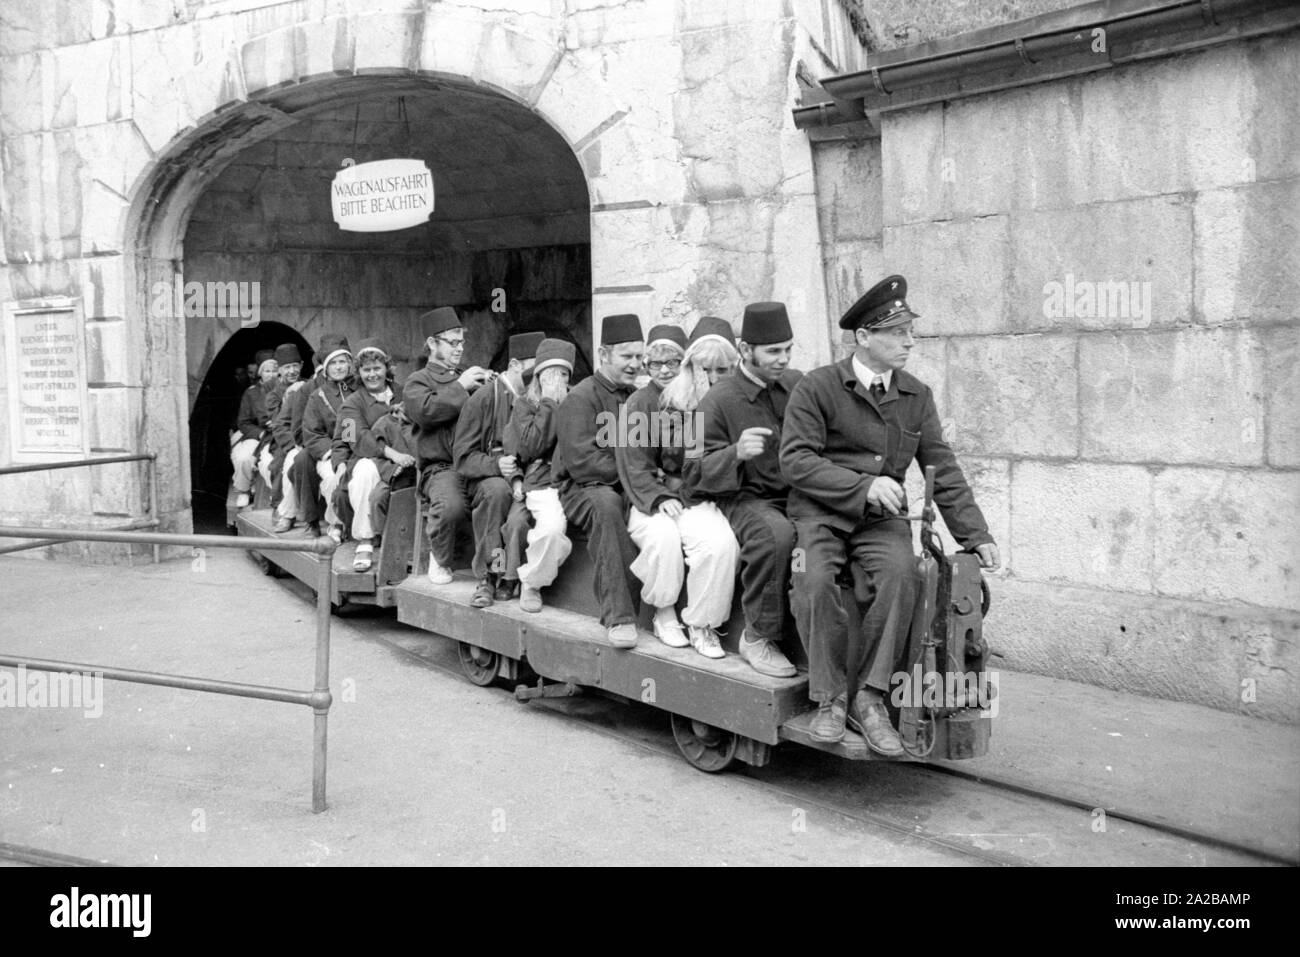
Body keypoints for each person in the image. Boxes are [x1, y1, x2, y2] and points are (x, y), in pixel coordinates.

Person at [781, 274, 1000, 752]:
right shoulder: (817, 387)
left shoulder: (915, 395)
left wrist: (976, 533)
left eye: (910, 331)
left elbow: (942, 466)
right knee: (812, 580)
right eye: (898, 332)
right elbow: (795, 461)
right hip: (818, 516)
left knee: (905, 575)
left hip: (882, 523)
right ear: (864, 338)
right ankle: (830, 697)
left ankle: (871, 697)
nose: (910, 341)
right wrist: (862, 486)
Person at [616, 323, 740, 658]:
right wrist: (660, 496)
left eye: (673, 362)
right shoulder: (642, 403)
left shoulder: (699, 401)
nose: (666, 370)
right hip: (650, 498)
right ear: (648, 367)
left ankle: (704, 623)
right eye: (657, 364)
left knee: (719, 543)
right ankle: (664, 611)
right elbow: (635, 464)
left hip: (693, 495)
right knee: (663, 538)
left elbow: (700, 460)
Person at [694, 302, 802, 679]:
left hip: (796, 495)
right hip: (742, 498)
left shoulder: (797, 386)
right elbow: (693, 470)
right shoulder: (717, 400)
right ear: (745, 350)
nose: (783, 359)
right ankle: (757, 636)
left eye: (788, 349)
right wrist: (734, 453)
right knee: (775, 536)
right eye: (773, 351)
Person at [554, 314, 644, 648]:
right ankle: (619, 616)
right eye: (627, 356)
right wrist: (635, 474)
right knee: (608, 507)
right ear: (604, 355)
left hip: (625, 483)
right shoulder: (580, 397)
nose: (635, 364)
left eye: (639, 356)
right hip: (582, 489)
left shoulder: (637, 397)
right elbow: (583, 463)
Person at [453, 332, 543, 607]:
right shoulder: (484, 398)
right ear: (515, 364)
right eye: (532, 368)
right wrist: (496, 465)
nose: (537, 376)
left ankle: (520, 575)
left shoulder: (536, 398)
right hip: (485, 480)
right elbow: (463, 458)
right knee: (497, 492)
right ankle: (489, 576)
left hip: (527, 479)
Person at [404, 306, 491, 584]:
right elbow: (425, 412)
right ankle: (440, 557)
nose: (459, 349)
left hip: (475, 462)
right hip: (441, 467)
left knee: (498, 496)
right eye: (452, 342)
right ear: (432, 343)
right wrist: (462, 387)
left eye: (462, 342)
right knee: (451, 506)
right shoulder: (417, 381)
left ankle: (492, 570)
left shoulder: (467, 376)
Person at [503, 338, 576, 613]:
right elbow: (531, 446)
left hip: (574, 480)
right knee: (552, 529)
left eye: (564, 374)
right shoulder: (525, 404)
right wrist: (549, 402)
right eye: (550, 374)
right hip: (543, 482)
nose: (558, 381)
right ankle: (532, 583)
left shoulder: (578, 400)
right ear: (538, 377)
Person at [334, 339, 405, 571]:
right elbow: (353, 438)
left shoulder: (405, 393)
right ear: (359, 371)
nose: (372, 374)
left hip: (407, 458)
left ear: (387, 368)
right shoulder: (349, 403)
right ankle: (365, 540)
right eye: (366, 369)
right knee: (364, 472)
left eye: (377, 368)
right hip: (367, 458)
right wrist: (389, 452)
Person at [231, 349, 277, 508]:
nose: (271, 374)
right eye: (267, 370)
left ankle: (277, 495)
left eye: (274, 370)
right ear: (260, 373)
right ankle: (243, 490)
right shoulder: (251, 393)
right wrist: (260, 433)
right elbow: (243, 422)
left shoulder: (287, 390)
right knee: (243, 458)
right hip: (258, 434)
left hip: (280, 435)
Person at [259, 343, 302, 498]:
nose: (291, 371)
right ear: (280, 370)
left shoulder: (307, 385)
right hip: (281, 438)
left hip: (305, 435)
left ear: (301, 365)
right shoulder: (273, 394)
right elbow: (277, 422)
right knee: (278, 465)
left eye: (295, 366)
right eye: (286, 367)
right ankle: (278, 504)